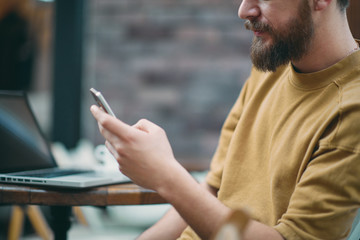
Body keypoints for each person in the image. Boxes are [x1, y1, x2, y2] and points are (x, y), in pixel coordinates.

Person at [91, 0, 360, 239]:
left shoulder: (351, 110)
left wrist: (167, 177)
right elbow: (213, 190)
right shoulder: (273, 65)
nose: (244, 10)